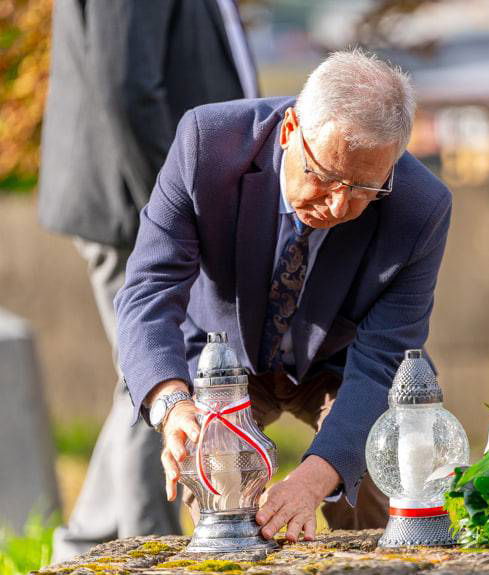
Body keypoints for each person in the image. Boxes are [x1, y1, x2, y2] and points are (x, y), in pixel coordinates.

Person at [114, 50, 452, 541]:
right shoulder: (207, 145)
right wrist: (173, 405)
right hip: (223, 359)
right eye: (325, 176)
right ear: (291, 129)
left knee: (388, 457)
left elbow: (385, 360)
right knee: (215, 476)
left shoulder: (422, 208)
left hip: (340, 363)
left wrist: (313, 480)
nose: (339, 205)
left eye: (364, 189)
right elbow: (149, 289)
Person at [38, 0, 257, 561]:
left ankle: (88, 544)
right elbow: (124, 86)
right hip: (133, 202)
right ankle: (143, 546)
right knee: (157, 364)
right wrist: (171, 211)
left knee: (143, 370)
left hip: (140, 195)